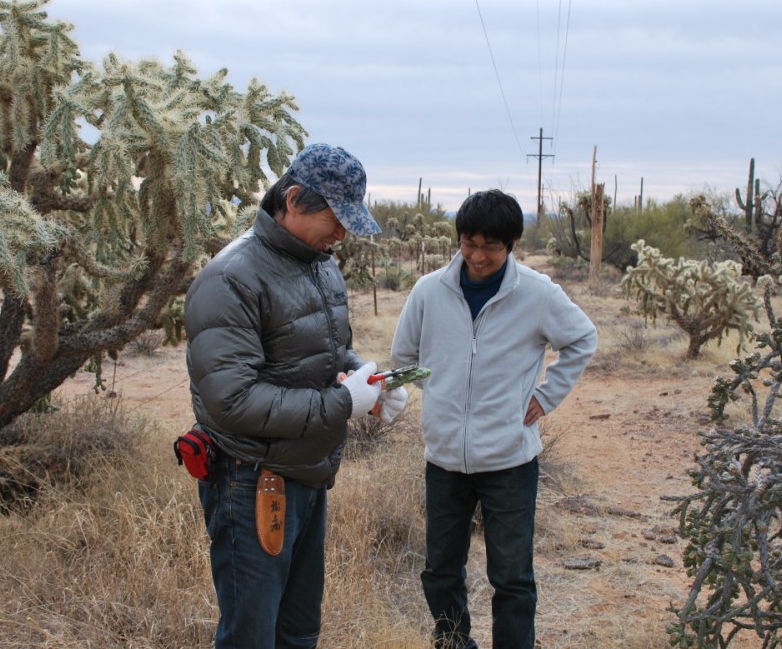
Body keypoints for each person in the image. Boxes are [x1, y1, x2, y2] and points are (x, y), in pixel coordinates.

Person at [184, 143, 408, 649]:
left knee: (299, 633)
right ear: (292, 199)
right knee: (252, 637)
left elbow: (331, 353)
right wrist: (341, 405)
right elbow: (232, 400)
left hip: (307, 472)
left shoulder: (321, 264)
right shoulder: (230, 278)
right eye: (335, 217)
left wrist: (370, 383)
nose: (342, 233)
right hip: (251, 481)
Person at [390, 189, 597, 649]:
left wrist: (546, 396)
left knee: (512, 577)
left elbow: (582, 339)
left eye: (491, 246)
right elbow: (406, 359)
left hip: (509, 460)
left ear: (513, 244)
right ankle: (453, 643)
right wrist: (440, 391)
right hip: (444, 459)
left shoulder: (538, 295)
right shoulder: (428, 291)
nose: (478, 257)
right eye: (468, 243)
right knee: (440, 569)